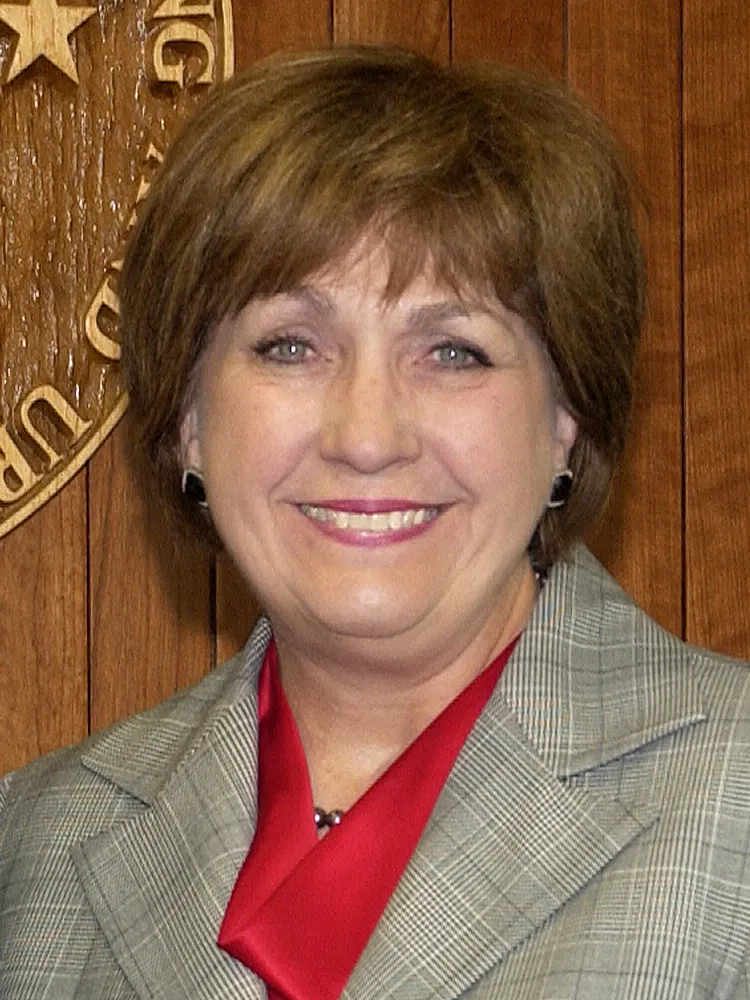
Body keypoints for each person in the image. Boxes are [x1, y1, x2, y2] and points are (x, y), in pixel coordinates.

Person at [2, 45, 750, 1000]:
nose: (365, 437)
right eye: (290, 346)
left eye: (452, 352)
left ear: (565, 419)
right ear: (189, 420)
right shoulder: (33, 844)